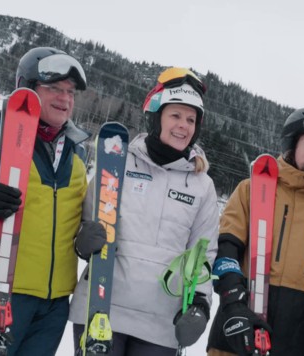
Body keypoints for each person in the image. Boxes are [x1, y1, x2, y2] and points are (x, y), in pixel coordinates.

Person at [0, 47, 93, 356]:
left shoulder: (78, 154)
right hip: (0, 294)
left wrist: (87, 239)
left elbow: (72, 225)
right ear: (26, 88)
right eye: (53, 88)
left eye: (70, 92)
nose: (64, 98)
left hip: (54, 306)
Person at [68, 67, 220, 356]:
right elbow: (87, 223)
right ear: (156, 117)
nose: (183, 126)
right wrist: (82, 241)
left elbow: (204, 254)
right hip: (102, 308)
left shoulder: (202, 186)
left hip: (160, 324)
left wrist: (200, 303)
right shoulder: (117, 163)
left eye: (190, 120)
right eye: (175, 115)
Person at [207, 107, 304, 356]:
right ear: (292, 143)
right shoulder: (250, 190)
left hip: (298, 342)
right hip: (240, 333)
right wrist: (233, 301)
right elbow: (226, 249)